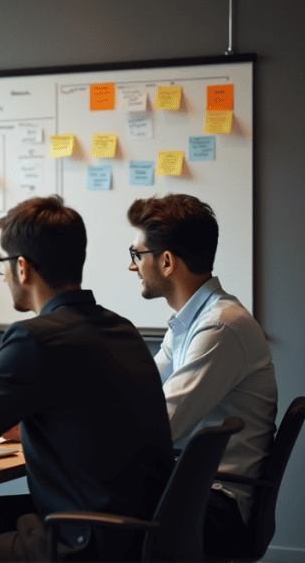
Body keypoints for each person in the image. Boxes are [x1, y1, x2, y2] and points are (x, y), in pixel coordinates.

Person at [0, 196, 174, 562]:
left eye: (3, 265)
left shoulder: (34, 338)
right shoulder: (121, 328)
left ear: (22, 268)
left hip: (87, 541)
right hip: (142, 529)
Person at [127, 193, 277, 556]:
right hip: (196, 493)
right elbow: (140, 393)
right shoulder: (191, 324)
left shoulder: (220, 327)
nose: (132, 266)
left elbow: (160, 426)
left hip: (214, 506)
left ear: (166, 262)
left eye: (137, 255)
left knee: (65, 512)